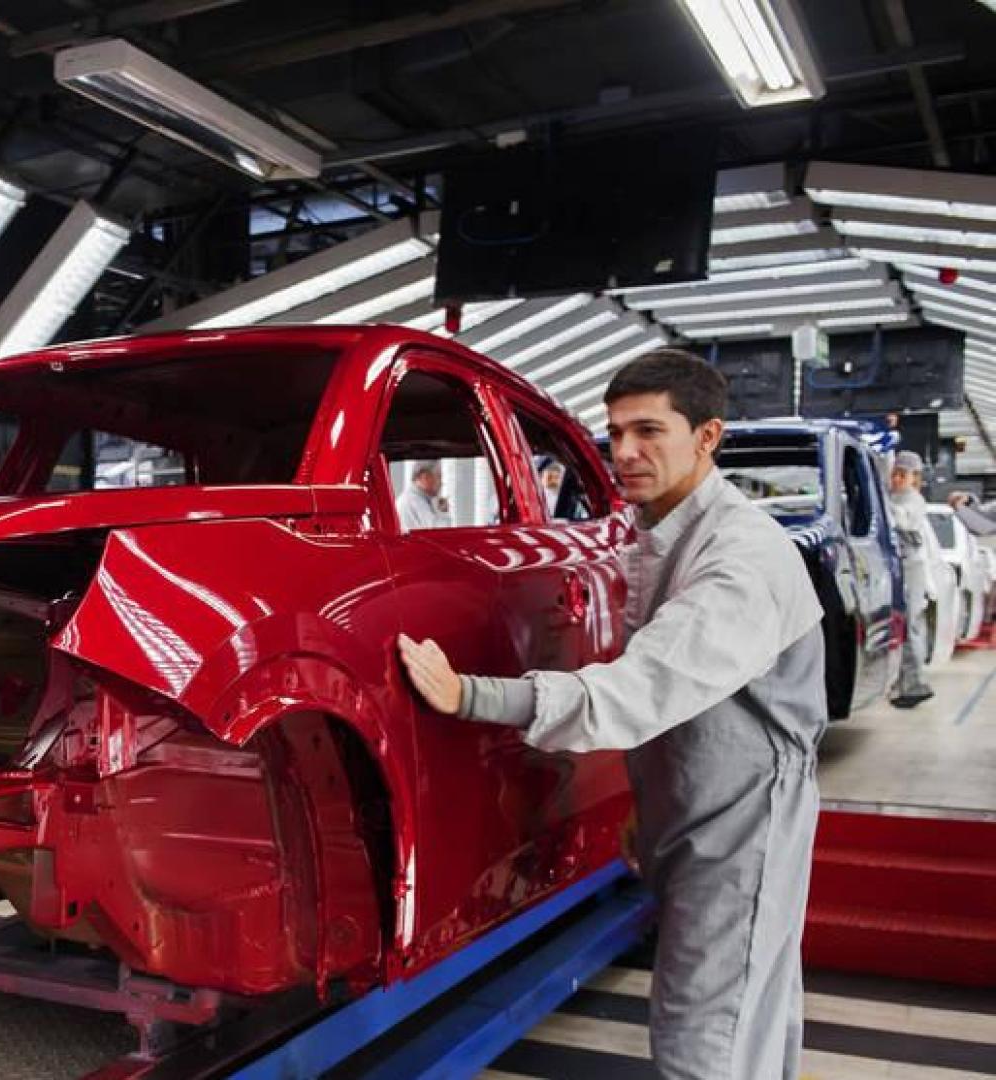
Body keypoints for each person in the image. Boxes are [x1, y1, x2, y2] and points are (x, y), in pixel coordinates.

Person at [396, 349, 824, 1080]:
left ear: (708, 436)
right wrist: (647, 803)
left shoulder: (742, 559)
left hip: (744, 823)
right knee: (752, 1007)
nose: (624, 452)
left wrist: (471, 694)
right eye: (615, 432)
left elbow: (637, 689)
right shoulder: (663, 532)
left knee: (705, 1037)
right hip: (700, 805)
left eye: (649, 431)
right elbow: (686, 708)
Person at [888, 452, 939, 708]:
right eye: (894, 473)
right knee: (902, 626)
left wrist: (885, 507)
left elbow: (903, 522)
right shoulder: (895, 497)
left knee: (910, 626)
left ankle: (916, 685)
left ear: (914, 478)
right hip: (902, 568)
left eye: (902, 475)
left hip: (912, 570)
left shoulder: (914, 500)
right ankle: (905, 684)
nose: (896, 479)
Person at [395, 460, 451, 530]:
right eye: (439, 476)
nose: (442, 483)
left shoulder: (409, 498)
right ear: (425, 477)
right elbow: (442, 532)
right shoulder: (416, 502)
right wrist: (443, 512)